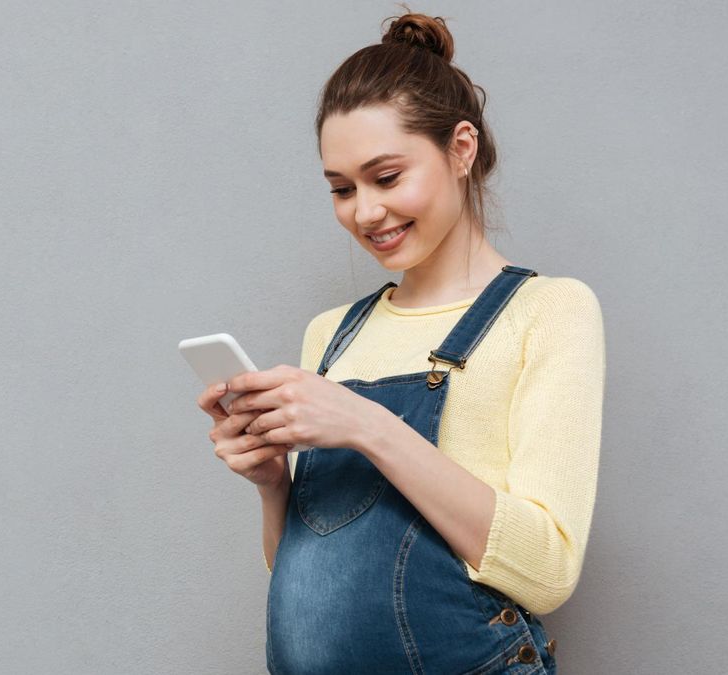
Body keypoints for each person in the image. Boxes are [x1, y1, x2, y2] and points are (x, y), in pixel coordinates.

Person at [195, 9, 604, 673]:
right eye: (340, 188)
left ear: (461, 148)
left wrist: (366, 425)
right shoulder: (330, 334)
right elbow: (313, 584)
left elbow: (547, 570)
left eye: (386, 177)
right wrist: (274, 486)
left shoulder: (548, 311)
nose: (364, 211)